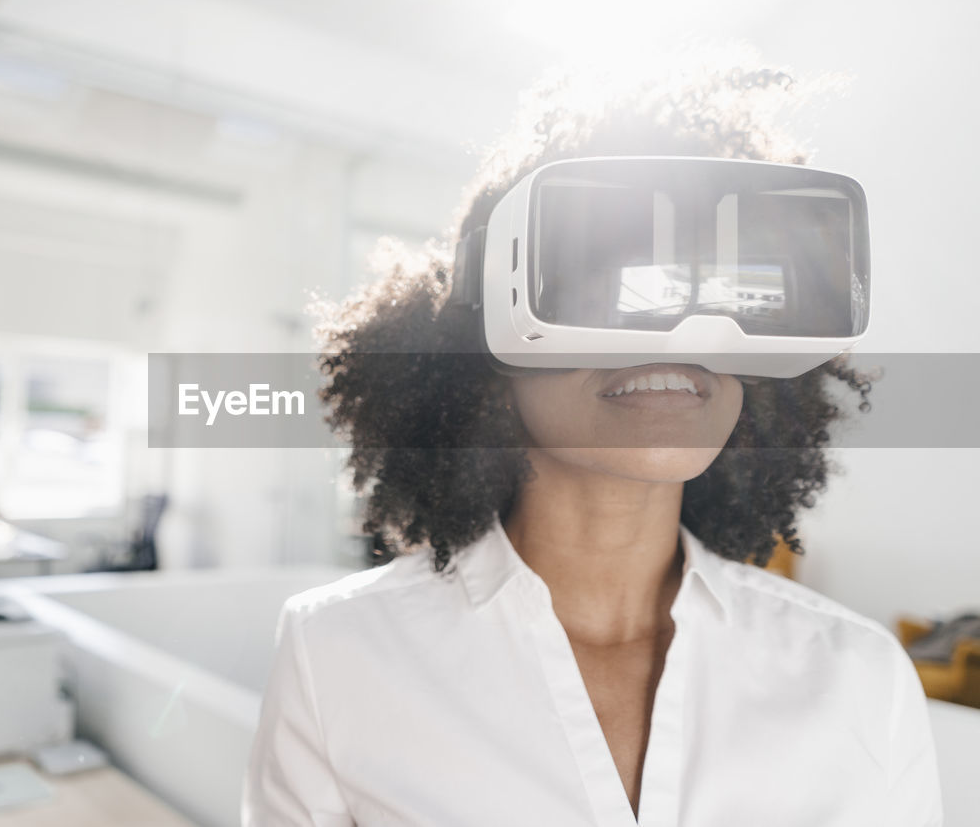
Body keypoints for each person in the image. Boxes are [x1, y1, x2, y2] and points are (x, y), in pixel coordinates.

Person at [240, 60, 942, 826]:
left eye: (726, 285)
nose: (679, 332)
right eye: (615, 279)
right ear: (484, 326)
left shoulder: (861, 675)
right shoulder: (335, 652)